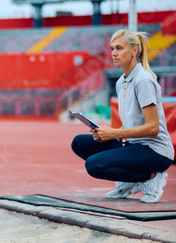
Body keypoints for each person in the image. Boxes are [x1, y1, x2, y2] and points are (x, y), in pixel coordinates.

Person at [71, 29, 174, 203]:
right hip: (133, 145)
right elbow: (133, 122)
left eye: (120, 48)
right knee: (79, 143)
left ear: (134, 51)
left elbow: (152, 128)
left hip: (156, 152)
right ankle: (131, 180)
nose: (114, 53)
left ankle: (149, 177)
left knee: (94, 165)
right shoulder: (121, 82)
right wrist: (105, 133)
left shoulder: (143, 81)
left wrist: (114, 134)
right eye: (112, 49)